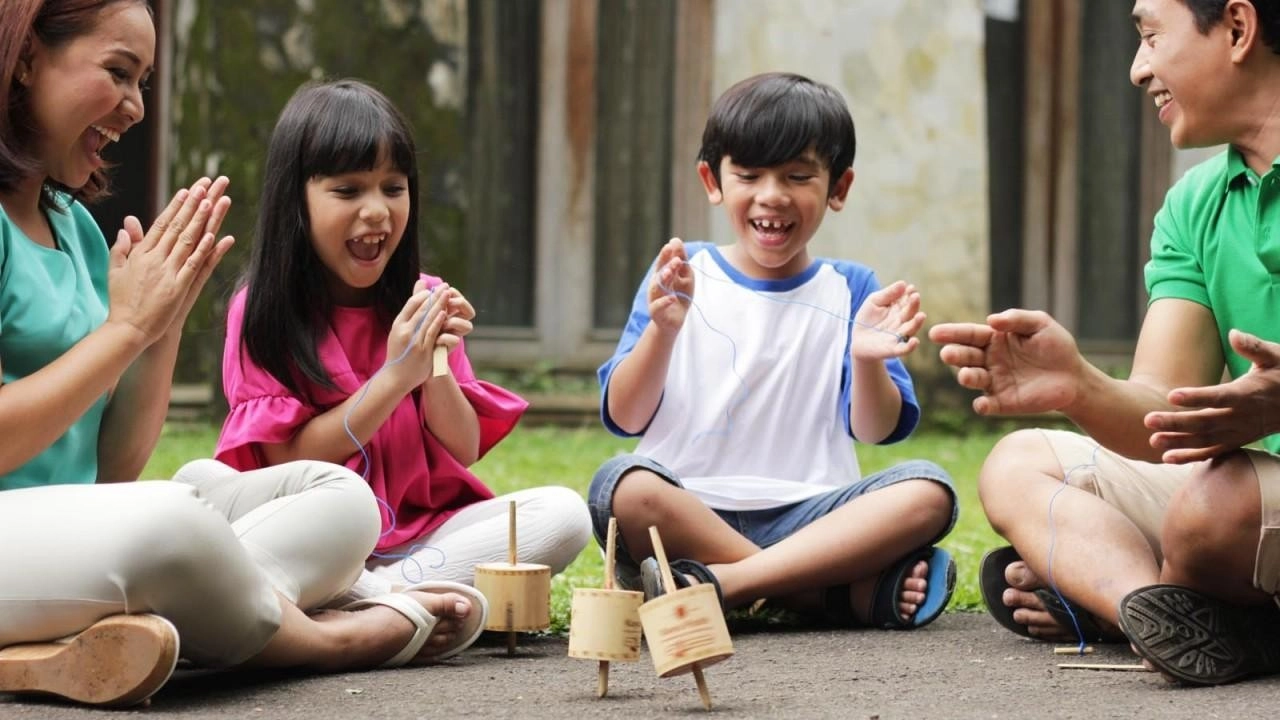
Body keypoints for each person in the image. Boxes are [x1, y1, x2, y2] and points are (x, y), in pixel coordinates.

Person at [0, 1, 490, 708]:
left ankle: (151, 627)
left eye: (144, 81)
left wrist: (160, 324)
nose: (136, 106)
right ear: (24, 61)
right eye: (119, 73)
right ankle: (324, 637)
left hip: (76, 533)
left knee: (341, 495)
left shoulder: (71, 225)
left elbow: (110, 472)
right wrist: (125, 332)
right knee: (168, 521)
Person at [929, 0, 1280, 686]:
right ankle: (1152, 612)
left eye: (1151, 37)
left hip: (1234, 510)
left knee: (1215, 510)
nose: (1137, 68)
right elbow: (1162, 416)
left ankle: (1137, 602)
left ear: (1237, 29)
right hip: (1235, 504)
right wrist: (1078, 387)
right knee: (1019, 463)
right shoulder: (1196, 202)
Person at [587, 72, 958, 629]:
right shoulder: (682, 271)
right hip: (690, 505)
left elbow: (877, 431)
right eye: (749, 174)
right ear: (712, 181)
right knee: (623, 484)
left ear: (839, 188)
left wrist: (865, 358)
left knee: (930, 490)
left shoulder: (852, 287)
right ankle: (822, 592)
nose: (772, 195)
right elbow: (625, 415)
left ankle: (726, 583)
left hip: (811, 516)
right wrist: (663, 331)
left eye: (798, 176)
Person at [214, 79, 591, 599]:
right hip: (321, 539)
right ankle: (375, 592)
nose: (377, 211)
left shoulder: (423, 299)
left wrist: (434, 363)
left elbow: (463, 446)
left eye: (394, 187)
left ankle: (380, 594)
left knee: (565, 515)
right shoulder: (261, 313)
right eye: (348, 190)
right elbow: (287, 464)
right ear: (295, 200)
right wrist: (394, 378)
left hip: (425, 538)